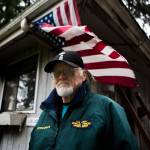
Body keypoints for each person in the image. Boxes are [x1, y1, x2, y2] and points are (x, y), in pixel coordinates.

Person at [29, 51, 138, 150]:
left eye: (68, 71)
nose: (61, 76)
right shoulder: (46, 113)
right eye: (57, 73)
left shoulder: (107, 107)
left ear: (84, 75)